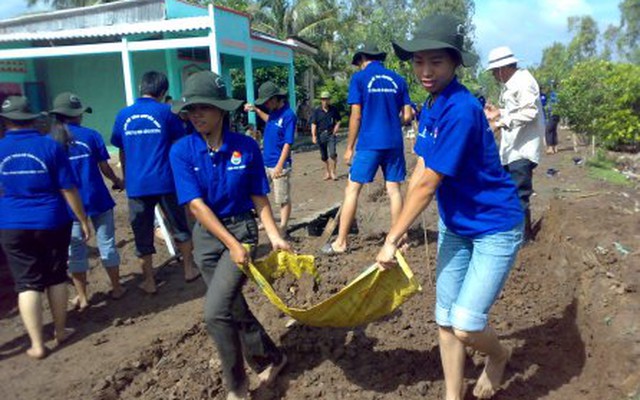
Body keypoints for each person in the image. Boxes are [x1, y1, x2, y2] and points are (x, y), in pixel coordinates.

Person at [375, 15, 525, 400]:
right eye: (418, 61)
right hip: (456, 224)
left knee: (465, 324)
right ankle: (452, 396)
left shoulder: (460, 108)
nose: (425, 71)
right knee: (444, 319)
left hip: (494, 225)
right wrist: (402, 226)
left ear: (455, 63)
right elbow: (420, 168)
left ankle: (499, 355)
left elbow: (429, 183)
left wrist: (392, 238)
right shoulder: (432, 104)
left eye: (436, 62)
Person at [169, 71, 289, 400]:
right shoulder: (182, 151)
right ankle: (272, 358)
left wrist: (274, 235)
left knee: (214, 312)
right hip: (208, 237)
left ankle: (236, 387)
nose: (196, 115)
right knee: (232, 306)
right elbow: (195, 205)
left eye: (203, 108)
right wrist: (230, 244)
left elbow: (258, 197)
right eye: (191, 109)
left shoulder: (246, 147)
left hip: (242, 229)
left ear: (221, 110)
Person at [0, 96, 92, 359]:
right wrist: (82, 219)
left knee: (26, 283)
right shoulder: (50, 147)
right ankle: (60, 332)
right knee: (55, 276)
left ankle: (37, 344)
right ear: (32, 119)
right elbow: (68, 188)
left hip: (11, 224)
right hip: (51, 220)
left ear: (6, 121)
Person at [111, 71, 199, 294]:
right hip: (165, 181)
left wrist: (126, 177)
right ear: (163, 92)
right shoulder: (167, 113)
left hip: (137, 184)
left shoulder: (123, 115)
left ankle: (149, 281)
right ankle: (189, 269)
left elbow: (122, 151)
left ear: (142, 87)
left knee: (142, 234)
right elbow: (180, 146)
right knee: (180, 226)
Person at [322, 43, 413, 254]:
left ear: (362, 58)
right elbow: (407, 116)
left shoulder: (360, 79)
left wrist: (349, 147)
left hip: (370, 142)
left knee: (352, 189)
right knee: (394, 190)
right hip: (394, 142)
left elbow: (356, 115)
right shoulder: (398, 79)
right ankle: (399, 239)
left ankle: (341, 242)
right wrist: (390, 121)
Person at [49, 92, 125, 310]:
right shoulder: (91, 136)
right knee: (107, 244)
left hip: (68, 205)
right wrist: (117, 180)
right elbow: (104, 167)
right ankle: (117, 288)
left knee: (75, 252)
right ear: (76, 115)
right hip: (97, 198)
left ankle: (82, 296)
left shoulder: (49, 141)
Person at [484, 46, 545, 242]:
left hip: (522, 149)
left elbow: (530, 112)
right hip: (513, 148)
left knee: (519, 194)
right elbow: (517, 110)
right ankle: (514, 232)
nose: (494, 75)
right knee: (509, 192)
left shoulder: (523, 82)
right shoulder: (514, 83)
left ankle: (523, 238)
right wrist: (500, 112)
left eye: (494, 71)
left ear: (502, 68)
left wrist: (501, 123)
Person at [244, 81, 296, 234]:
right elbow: (270, 120)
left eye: (267, 101)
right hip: (265, 162)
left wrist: (280, 165)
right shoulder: (273, 113)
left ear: (275, 98)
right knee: (258, 192)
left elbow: (288, 143)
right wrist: (256, 110)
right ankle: (263, 221)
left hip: (280, 163)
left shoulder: (289, 115)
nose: (265, 104)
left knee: (282, 198)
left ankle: (283, 227)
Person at [310, 91, 341, 180]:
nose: (325, 101)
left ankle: (333, 172)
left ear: (329, 100)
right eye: (323, 99)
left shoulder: (333, 110)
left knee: (332, 154)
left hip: (331, 134)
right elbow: (313, 123)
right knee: (324, 156)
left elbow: (338, 120)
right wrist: (313, 136)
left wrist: (336, 129)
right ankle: (327, 172)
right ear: (321, 100)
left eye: (326, 99)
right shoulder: (317, 111)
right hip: (320, 135)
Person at [545, 86, 560, 154]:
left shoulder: (553, 94)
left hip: (553, 114)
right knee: (553, 130)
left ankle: (550, 148)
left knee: (548, 130)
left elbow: (553, 104)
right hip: (556, 114)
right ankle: (555, 147)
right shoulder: (556, 93)